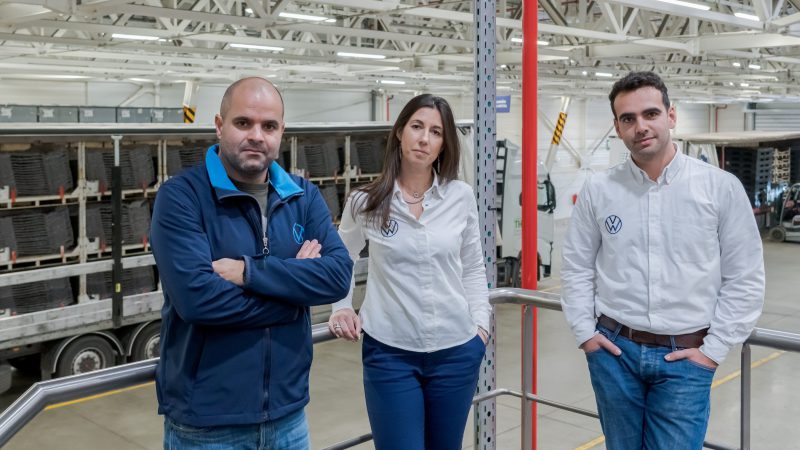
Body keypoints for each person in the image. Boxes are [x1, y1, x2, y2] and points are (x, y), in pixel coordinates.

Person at [561, 71, 765, 449]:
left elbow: (745, 277)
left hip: (687, 359)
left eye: (650, 114)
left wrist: (712, 351)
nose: (640, 126)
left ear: (671, 116)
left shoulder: (719, 188)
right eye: (628, 119)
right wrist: (586, 334)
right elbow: (576, 266)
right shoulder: (599, 190)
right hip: (614, 353)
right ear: (617, 128)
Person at [150, 77, 353, 450]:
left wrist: (248, 272)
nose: (257, 136)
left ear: (281, 132)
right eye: (243, 123)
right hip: (207, 427)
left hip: (289, 418)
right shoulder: (182, 198)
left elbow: (338, 276)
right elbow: (198, 300)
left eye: (268, 126)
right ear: (219, 125)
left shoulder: (302, 196)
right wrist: (295, 297)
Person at [327, 94, 491, 450]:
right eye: (417, 127)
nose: (424, 139)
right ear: (400, 132)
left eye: (436, 132)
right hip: (390, 354)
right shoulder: (365, 201)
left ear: (444, 143)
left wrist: (481, 327)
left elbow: (473, 268)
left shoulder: (460, 197)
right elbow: (342, 256)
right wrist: (341, 306)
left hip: (456, 351)